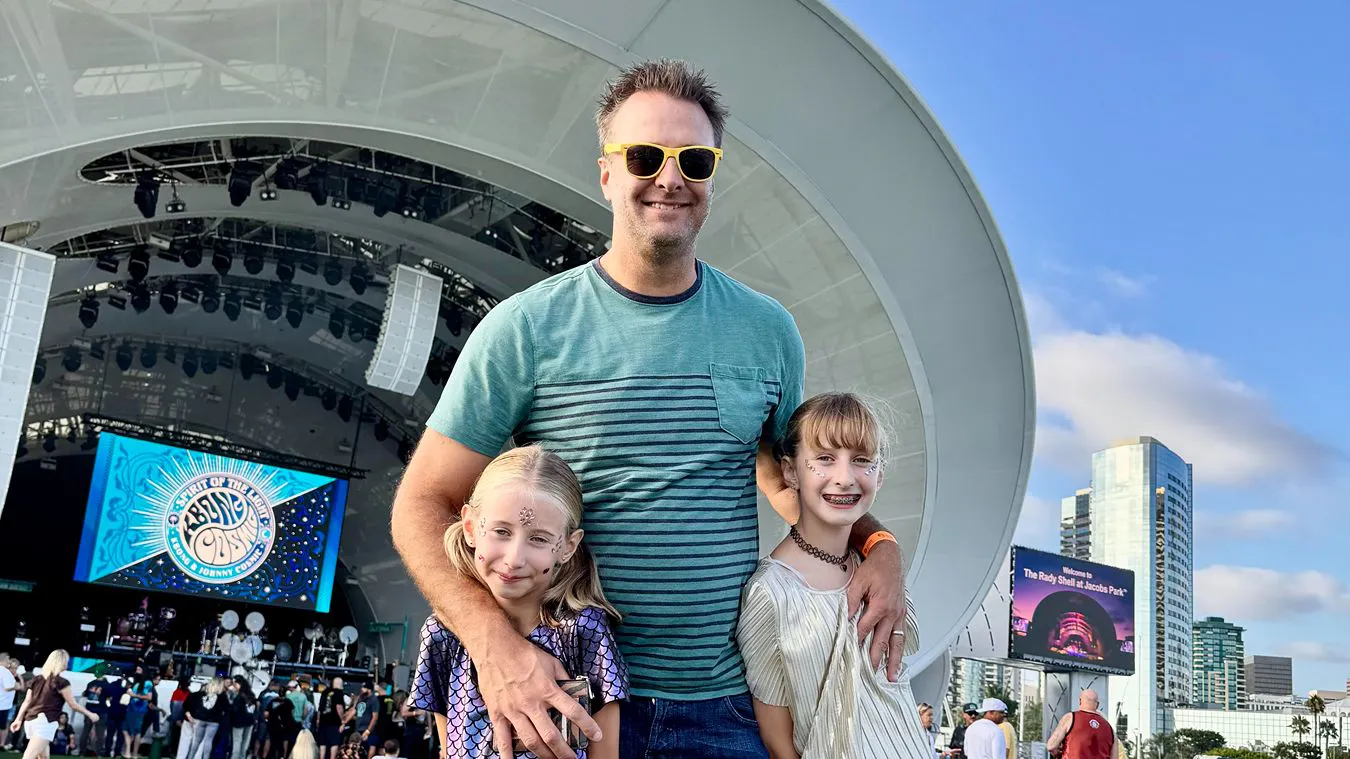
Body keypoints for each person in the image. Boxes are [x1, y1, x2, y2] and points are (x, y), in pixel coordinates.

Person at [391, 58, 907, 759]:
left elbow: (790, 482)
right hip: (573, 700)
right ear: (606, 173)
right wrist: (495, 647)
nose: (670, 177)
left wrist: (880, 546)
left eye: (693, 159)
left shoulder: (768, 330)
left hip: (727, 708)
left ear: (712, 177)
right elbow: (424, 502)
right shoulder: (525, 329)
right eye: (644, 156)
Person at [736, 393, 923, 758]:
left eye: (862, 461)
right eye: (824, 459)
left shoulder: (883, 578)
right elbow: (778, 742)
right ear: (790, 471)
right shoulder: (770, 593)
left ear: (879, 474)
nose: (844, 478)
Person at [409, 446, 627, 759]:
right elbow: (447, 748)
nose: (514, 559)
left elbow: (605, 753)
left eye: (538, 539)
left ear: (567, 546)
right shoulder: (441, 635)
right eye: (500, 531)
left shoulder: (584, 629)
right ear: (471, 527)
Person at [9, 649, 102, 759]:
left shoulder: (37, 679)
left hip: (31, 721)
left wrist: (18, 719)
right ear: (62, 662)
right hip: (45, 721)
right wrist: (90, 714)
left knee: (43, 756)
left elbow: (27, 701)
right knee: (29, 757)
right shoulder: (61, 682)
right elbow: (73, 704)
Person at [1047, 690, 1119, 759]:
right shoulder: (1110, 729)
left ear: (1080, 701)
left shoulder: (1070, 718)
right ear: (1097, 705)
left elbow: (1051, 746)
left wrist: (1058, 755)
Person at [179, 679, 226, 759]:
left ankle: (190, 757)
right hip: (214, 722)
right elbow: (225, 710)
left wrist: (190, 716)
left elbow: (186, 705)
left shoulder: (199, 694)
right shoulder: (222, 697)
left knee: (196, 741)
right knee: (208, 741)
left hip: (200, 720)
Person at [121, 675, 153, 759]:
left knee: (133, 731)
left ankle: (130, 752)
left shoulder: (147, 684)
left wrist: (134, 695)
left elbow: (148, 697)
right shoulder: (137, 684)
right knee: (129, 730)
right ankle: (131, 752)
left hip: (138, 710)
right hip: (133, 710)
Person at [315, 678, 346, 759]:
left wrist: (318, 720)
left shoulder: (325, 692)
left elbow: (320, 708)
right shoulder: (339, 693)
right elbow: (339, 707)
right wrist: (343, 720)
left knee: (322, 744)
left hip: (323, 722)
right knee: (334, 744)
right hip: (334, 723)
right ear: (340, 684)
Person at [227, 677, 257, 759]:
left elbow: (235, 709)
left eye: (235, 684)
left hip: (238, 722)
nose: (234, 686)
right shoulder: (251, 695)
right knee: (245, 744)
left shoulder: (238, 696)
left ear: (239, 684)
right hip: (249, 722)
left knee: (237, 743)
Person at [78, 679, 107, 756]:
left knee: (85, 732)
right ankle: (99, 753)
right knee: (100, 734)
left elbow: (85, 694)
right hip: (101, 711)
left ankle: (82, 752)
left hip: (89, 711)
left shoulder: (91, 683)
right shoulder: (106, 684)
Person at [1, 654, 19, 750]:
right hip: (4, 704)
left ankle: (3, 743)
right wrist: (16, 686)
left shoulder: (13, 675)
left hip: (10, 704)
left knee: (6, 724)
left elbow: (21, 687)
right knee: (4, 725)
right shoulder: (5, 673)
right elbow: (9, 687)